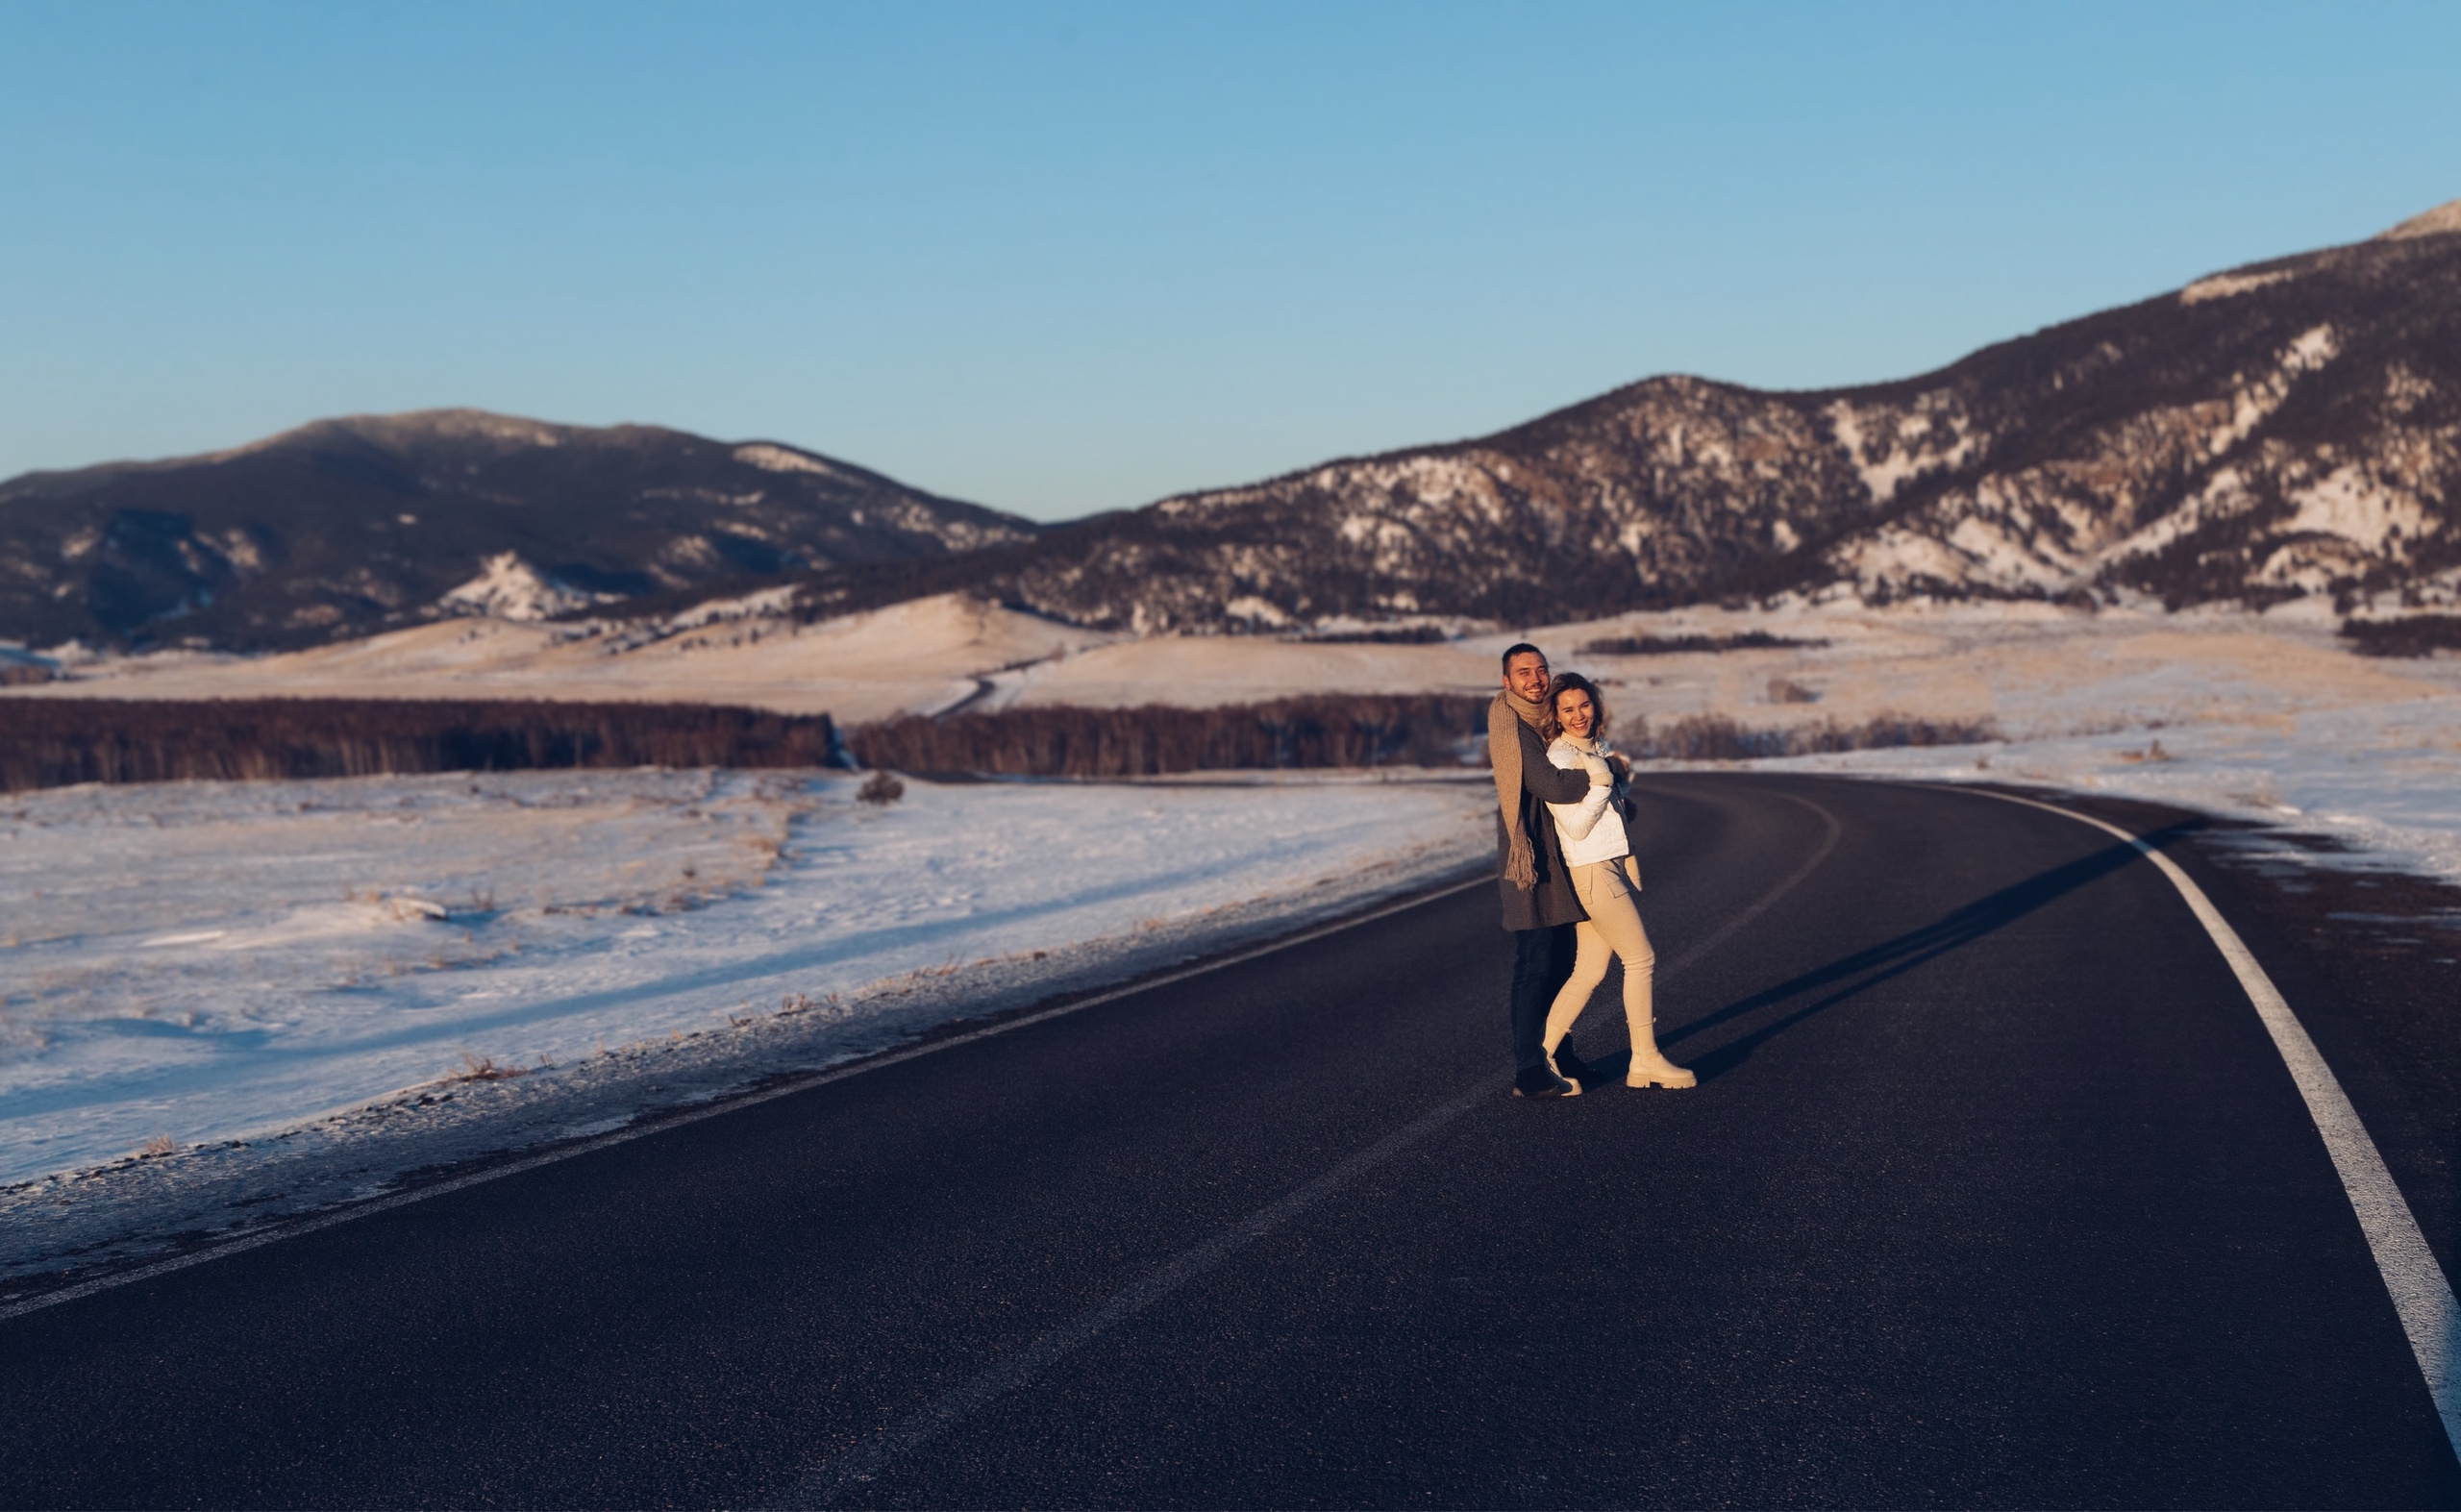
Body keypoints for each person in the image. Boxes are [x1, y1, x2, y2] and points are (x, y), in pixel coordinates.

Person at [1537, 672, 1695, 1090]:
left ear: (1596, 705)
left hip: (1607, 865)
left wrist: (1619, 791)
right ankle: (1645, 1059)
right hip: (1590, 869)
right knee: (1640, 959)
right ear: (1555, 714)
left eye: (1584, 705)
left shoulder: (1594, 748)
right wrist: (1603, 786)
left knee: (1588, 971)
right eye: (1567, 709)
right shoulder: (1561, 758)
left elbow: (1608, 801)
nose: (1578, 715)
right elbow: (1574, 826)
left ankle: (1541, 1057)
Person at [1489, 643, 1611, 1099]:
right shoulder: (1513, 725)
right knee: (1536, 962)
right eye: (1524, 672)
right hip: (1530, 857)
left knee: (1560, 959)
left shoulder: (1542, 720)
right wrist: (1604, 774)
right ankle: (1528, 1068)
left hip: (1555, 851)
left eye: (1541, 670)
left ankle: (1558, 1051)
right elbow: (1549, 784)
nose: (1536, 679)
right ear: (1508, 681)